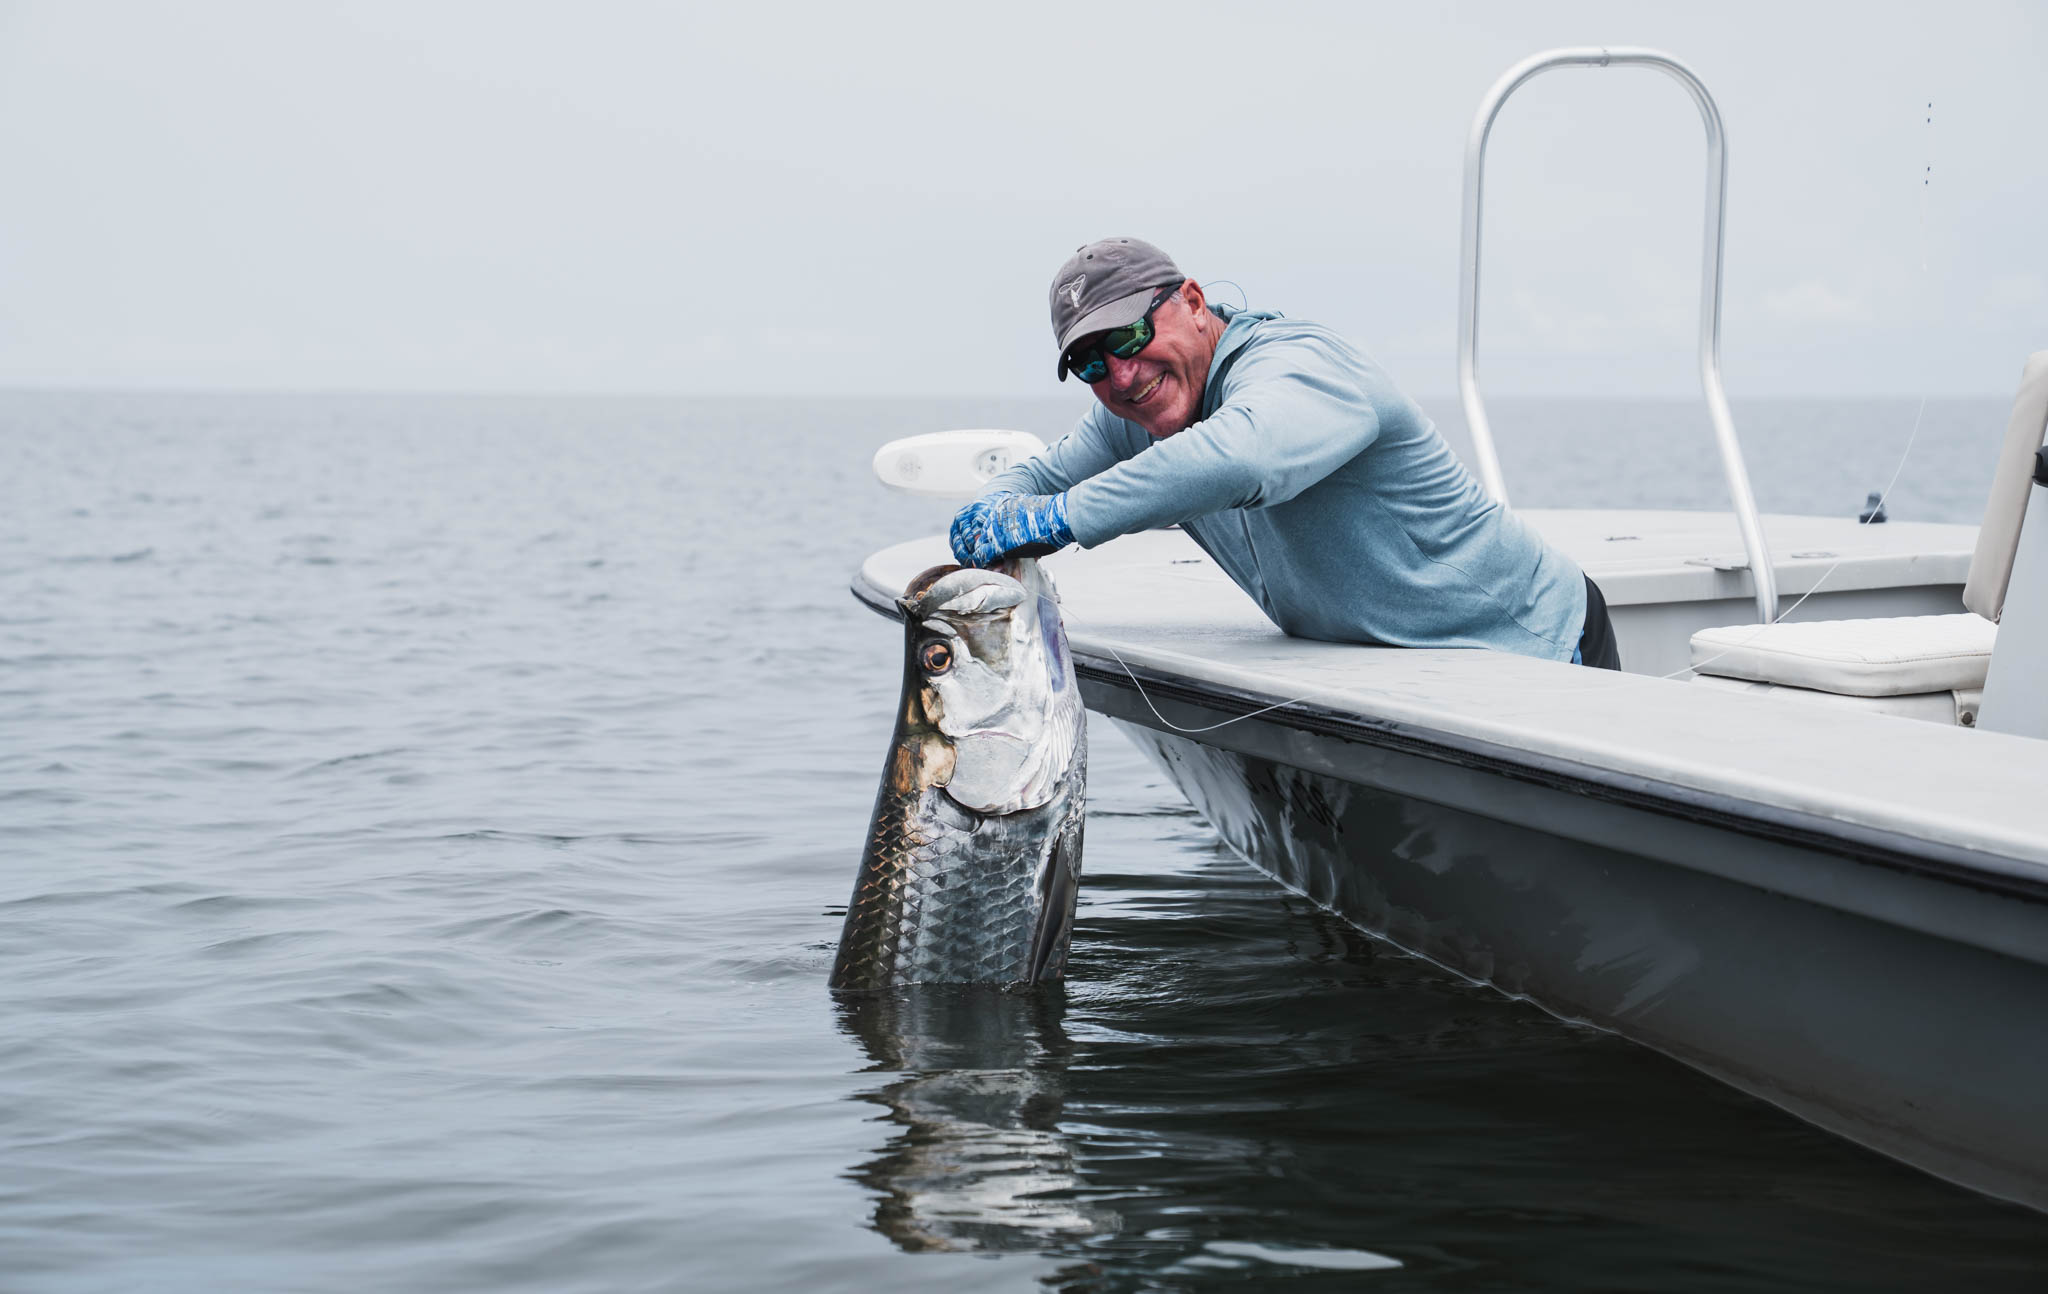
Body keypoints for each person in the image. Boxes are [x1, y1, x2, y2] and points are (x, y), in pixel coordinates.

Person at [949, 236, 1620, 669]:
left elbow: (1237, 458)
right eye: (1091, 364)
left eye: (1127, 337)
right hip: (1395, 668)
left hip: (1532, 650)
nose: (1121, 376)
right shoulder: (1142, 410)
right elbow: (1032, 475)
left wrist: (1054, 520)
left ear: (1191, 301)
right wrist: (993, 514)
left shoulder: (1301, 367)